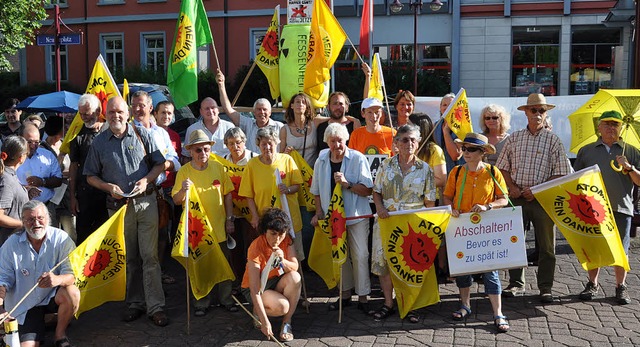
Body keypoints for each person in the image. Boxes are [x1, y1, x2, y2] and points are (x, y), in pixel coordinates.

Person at [83, 96, 169, 326]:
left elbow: (161, 164)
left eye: (120, 112)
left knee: (150, 257)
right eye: (111, 112)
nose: (116, 116)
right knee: (129, 258)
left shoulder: (143, 135)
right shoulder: (99, 143)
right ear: (105, 114)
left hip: (146, 202)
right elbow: (90, 176)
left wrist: (147, 179)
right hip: (119, 209)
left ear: (128, 113)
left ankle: (156, 307)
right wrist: (106, 187)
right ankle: (135, 303)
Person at [496, 93, 572, 303]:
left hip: (543, 200)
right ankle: (516, 283)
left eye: (542, 110)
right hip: (517, 197)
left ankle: (545, 287)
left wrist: (538, 189)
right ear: (526, 112)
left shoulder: (554, 140)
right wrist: (511, 187)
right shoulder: (514, 138)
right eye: (534, 110)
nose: (538, 114)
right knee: (515, 242)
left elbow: (561, 173)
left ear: (546, 113)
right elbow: (501, 167)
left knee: (547, 246)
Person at [442, 133, 510, 333]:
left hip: (486, 229)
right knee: (463, 268)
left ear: (482, 153)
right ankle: (465, 305)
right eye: (464, 148)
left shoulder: (492, 172)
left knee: (491, 270)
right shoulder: (456, 172)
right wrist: (450, 208)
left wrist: (488, 206)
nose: (466, 153)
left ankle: (498, 312)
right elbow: (446, 196)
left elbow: (504, 199)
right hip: (462, 228)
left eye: (471, 149)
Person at [573, 110, 640, 305]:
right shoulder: (587, 150)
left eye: (615, 124)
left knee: (621, 250)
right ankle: (592, 284)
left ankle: (621, 286)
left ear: (621, 127)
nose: (611, 128)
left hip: (621, 208)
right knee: (594, 247)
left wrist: (629, 168)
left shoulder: (631, 151)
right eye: (607, 124)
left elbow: (639, 181)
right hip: (592, 209)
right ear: (599, 127)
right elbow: (576, 179)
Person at [371, 124, 436, 323]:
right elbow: (376, 191)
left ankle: (411, 304)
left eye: (413, 140)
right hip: (386, 221)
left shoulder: (426, 170)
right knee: (385, 264)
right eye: (405, 140)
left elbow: (430, 202)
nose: (409, 143)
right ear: (397, 143)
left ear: (418, 143)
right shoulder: (385, 165)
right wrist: (380, 208)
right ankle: (388, 303)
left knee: (410, 264)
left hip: (412, 226)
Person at [172, 129, 237, 316]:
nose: (203, 154)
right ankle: (201, 302)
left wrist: (230, 219)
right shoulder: (184, 171)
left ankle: (226, 299)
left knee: (224, 264)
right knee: (199, 266)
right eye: (198, 150)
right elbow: (176, 200)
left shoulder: (219, 168)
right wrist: (184, 190)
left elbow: (228, 195)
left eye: (206, 149)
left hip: (219, 227)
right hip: (196, 230)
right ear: (191, 151)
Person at [310, 123, 373, 313]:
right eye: (332, 141)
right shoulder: (321, 159)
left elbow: (368, 189)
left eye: (339, 141)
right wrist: (318, 212)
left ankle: (363, 296)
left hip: (356, 216)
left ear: (346, 140)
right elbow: (316, 190)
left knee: (360, 255)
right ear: (326, 142)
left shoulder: (357, 158)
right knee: (340, 256)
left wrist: (348, 184)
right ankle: (345, 294)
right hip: (334, 218)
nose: (336, 145)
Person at [0, 200, 80, 347]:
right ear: (23, 222)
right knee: (27, 345)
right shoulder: (11, 244)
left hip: (51, 296)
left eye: (40, 218)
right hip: (25, 304)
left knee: (72, 292)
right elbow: (3, 277)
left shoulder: (61, 239)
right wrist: (1, 301)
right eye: (30, 219)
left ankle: (60, 335)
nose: (36, 223)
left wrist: (56, 279)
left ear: (48, 219)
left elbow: (73, 275)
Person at [238, 127, 305, 259]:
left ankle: (295, 280)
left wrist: (288, 189)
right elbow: (248, 195)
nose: (267, 147)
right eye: (264, 144)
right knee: (269, 258)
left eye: (270, 143)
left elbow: (297, 185)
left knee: (293, 257)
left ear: (277, 143)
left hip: (289, 218)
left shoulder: (287, 160)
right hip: (266, 222)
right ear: (258, 145)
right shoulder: (252, 165)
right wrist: (255, 217)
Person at [241, 208, 301, 342]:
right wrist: (265, 322)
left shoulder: (287, 240)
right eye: (273, 234)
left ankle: (286, 323)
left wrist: (282, 260)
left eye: (281, 234)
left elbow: (295, 266)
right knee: (282, 307)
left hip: (276, 280)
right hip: (257, 287)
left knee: (295, 278)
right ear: (265, 231)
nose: (277, 239)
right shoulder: (256, 247)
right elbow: (255, 290)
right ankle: (257, 311)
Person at [69, 94, 108, 244]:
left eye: (87, 113)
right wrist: (73, 196)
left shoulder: (110, 131)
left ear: (98, 111)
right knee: (84, 235)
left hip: (107, 194)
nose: (83, 117)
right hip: (85, 195)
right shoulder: (77, 136)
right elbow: (73, 166)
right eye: (80, 113)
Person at [222, 127, 258, 285]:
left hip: (252, 213)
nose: (235, 147)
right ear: (226, 145)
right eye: (231, 143)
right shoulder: (222, 161)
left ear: (244, 142)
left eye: (238, 142)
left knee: (252, 248)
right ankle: (239, 283)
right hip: (233, 213)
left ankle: (253, 282)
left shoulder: (254, 159)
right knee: (235, 250)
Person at [216, 69, 284, 153]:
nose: (262, 112)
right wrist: (221, 85)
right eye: (259, 109)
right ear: (254, 112)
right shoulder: (248, 124)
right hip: (251, 164)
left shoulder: (280, 127)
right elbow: (229, 110)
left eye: (265, 110)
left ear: (270, 112)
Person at [153, 100, 182, 285]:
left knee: (171, 230)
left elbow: (178, 163)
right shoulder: (148, 132)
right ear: (155, 113)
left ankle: (163, 266)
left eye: (170, 113)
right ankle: (157, 270)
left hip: (172, 189)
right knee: (159, 232)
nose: (166, 116)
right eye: (163, 112)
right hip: (155, 190)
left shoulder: (175, 136)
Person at [40, 116, 76, 242]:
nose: (66, 128)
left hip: (66, 197)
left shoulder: (66, 145)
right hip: (52, 199)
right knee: (52, 235)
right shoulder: (42, 149)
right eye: (64, 126)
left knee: (71, 234)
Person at [16, 124, 63, 221]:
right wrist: (26, 190)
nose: (33, 146)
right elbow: (6, 183)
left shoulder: (47, 156)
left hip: (46, 208)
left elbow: (58, 180)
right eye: (29, 142)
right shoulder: (12, 158)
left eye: (36, 142)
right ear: (20, 139)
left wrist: (42, 182)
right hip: (19, 209)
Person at [279, 93, 322, 167]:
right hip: (293, 173)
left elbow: (334, 119)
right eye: (298, 102)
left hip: (313, 173)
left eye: (303, 102)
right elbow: (280, 156)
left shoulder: (314, 122)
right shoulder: (285, 129)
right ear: (292, 106)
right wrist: (286, 153)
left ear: (307, 107)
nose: (301, 104)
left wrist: (348, 118)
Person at [0, 135, 28, 245]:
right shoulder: (6, 180)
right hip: (9, 244)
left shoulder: (9, 176)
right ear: (21, 157)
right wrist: (24, 224)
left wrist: (25, 191)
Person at [433, 93, 464, 172]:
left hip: (457, 173)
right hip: (440, 171)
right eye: (444, 105)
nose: (447, 108)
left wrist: (446, 132)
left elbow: (455, 155)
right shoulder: (435, 126)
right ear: (440, 107)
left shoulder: (462, 127)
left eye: (451, 105)